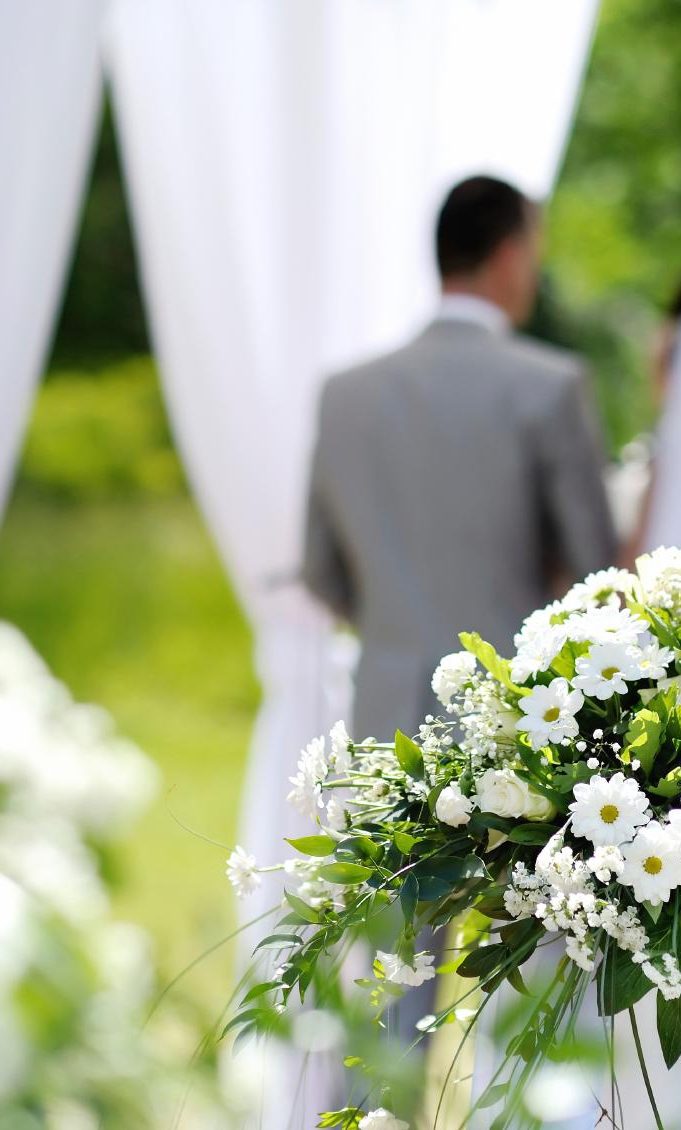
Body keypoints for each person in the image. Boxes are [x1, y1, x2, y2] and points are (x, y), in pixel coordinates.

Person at [303, 175, 617, 746]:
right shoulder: (550, 386)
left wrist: (395, 628)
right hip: (515, 719)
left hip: (385, 719)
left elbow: (320, 569)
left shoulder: (345, 394)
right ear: (510, 254)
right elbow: (595, 568)